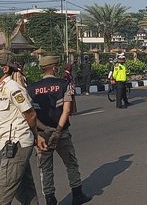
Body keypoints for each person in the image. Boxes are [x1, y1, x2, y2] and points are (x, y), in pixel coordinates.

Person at [27, 55, 92, 205]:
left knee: (45, 168)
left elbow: (31, 115)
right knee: (71, 163)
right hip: (61, 133)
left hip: (42, 135)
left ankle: (50, 199)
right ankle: (77, 195)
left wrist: (45, 129)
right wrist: (57, 130)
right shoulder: (64, 84)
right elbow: (67, 110)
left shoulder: (31, 89)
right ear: (55, 68)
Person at [0, 52, 47, 205]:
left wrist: (35, 135)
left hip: (15, 144)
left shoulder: (14, 88)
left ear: (5, 68)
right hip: (6, 143)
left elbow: (31, 115)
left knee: (3, 192)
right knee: (25, 191)